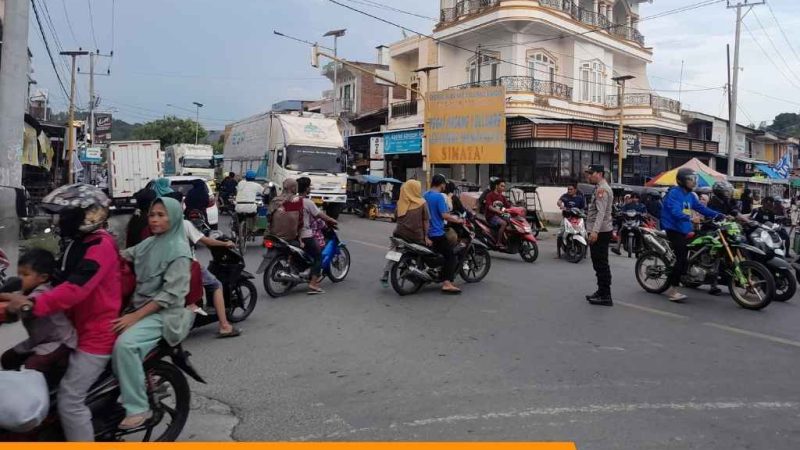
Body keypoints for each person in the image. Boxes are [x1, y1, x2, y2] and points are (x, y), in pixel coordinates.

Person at [0, 184, 121, 441]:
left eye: (66, 216)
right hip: (71, 326)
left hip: (94, 336)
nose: (60, 221)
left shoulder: (100, 247)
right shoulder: (76, 244)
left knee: (69, 400)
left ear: (89, 216)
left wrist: (32, 305)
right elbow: (53, 280)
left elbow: (75, 289)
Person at [113, 197, 194, 429]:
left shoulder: (179, 252)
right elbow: (123, 255)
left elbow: (169, 296)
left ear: (175, 217)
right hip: (138, 308)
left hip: (164, 315)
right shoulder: (149, 243)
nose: (155, 219)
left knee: (126, 345)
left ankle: (138, 408)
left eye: (161, 215)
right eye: (152, 215)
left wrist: (134, 317)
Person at [1, 249, 76, 386]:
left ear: (43, 277)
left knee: (31, 367)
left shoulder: (43, 291)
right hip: (38, 339)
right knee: (8, 358)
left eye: (25, 274)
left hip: (59, 342)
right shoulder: (25, 290)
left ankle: (36, 398)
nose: (20, 278)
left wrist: (4, 295)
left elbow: (24, 302)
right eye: (19, 273)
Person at [660, 168, 723, 302]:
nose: (693, 182)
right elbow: (674, 211)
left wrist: (719, 215)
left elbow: (701, 208)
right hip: (673, 229)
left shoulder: (690, 195)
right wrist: (689, 219)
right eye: (690, 179)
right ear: (682, 181)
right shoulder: (674, 193)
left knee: (700, 246)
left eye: (694, 179)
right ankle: (672, 291)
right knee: (682, 258)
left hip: (685, 228)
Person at [183, 220, 241, 337]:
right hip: (188, 264)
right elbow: (205, 240)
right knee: (216, 285)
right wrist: (225, 244)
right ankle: (225, 326)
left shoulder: (156, 226)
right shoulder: (184, 224)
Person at [381, 180, 431, 287]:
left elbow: (395, 217)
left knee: (393, 250)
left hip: (399, 234)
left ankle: (385, 273)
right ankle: (425, 272)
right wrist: (426, 236)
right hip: (416, 236)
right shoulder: (422, 202)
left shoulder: (401, 203)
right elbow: (426, 220)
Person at [297, 177, 338, 294]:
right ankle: (313, 284)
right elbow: (320, 215)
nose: (310, 188)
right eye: (309, 186)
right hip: (305, 234)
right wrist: (332, 220)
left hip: (293, 234)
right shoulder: (308, 202)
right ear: (306, 188)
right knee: (318, 257)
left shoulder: (292, 200)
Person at [425, 174, 464, 294]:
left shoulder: (425, 194)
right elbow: (445, 215)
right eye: (444, 184)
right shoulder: (439, 197)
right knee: (451, 256)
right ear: (441, 184)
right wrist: (458, 220)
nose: (444, 186)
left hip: (426, 231)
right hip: (436, 232)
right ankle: (447, 283)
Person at [584, 165, 614, 306]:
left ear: (600, 174)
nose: (589, 176)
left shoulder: (602, 189)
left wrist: (594, 231)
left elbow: (601, 213)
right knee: (598, 263)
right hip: (600, 231)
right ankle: (601, 291)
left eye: (591, 173)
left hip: (600, 232)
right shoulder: (599, 187)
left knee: (601, 264)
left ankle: (605, 295)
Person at [484, 179, 512, 248]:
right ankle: (498, 243)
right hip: (491, 216)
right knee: (504, 223)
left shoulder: (502, 197)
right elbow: (490, 207)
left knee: (512, 220)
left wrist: (517, 208)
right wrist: (498, 211)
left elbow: (508, 206)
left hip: (500, 215)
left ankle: (506, 239)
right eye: (502, 186)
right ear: (496, 186)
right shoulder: (489, 195)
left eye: (504, 186)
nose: (503, 188)